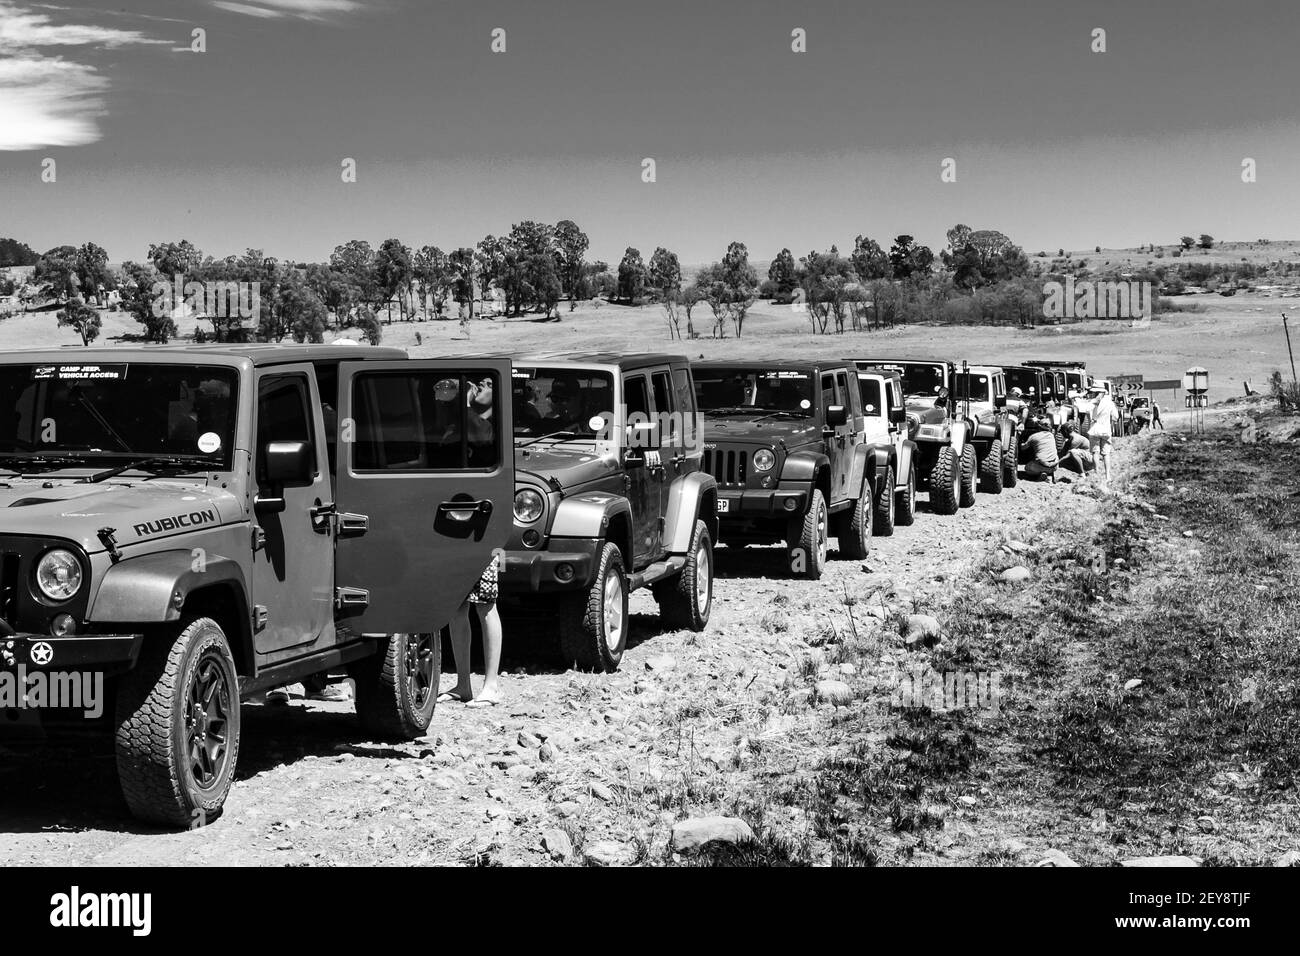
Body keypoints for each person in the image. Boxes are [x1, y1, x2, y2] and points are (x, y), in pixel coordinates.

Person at [440, 552, 503, 708]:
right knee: (456, 608)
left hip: (484, 543)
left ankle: (491, 687)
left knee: (486, 605)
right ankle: (463, 686)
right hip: (454, 544)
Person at [1086, 384, 1116, 484]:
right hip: (1106, 430)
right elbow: (1116, 416)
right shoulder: (1110, 403)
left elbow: (1086, 410)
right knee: (1106, 454)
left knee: (1095, 452)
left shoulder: (1093, 402)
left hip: (1095, 429)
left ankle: (1097, 474)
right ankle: (1107, 476)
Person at [1021, 416, 1059, 481]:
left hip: (1039, 466)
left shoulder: (1033, 436)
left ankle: (1040, 474)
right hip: (1054, 466)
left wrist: (1021, 443)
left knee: (1027, 468)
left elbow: (1023, 448)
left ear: (1038, 427)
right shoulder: (1051, 435)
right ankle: (1049, 473)